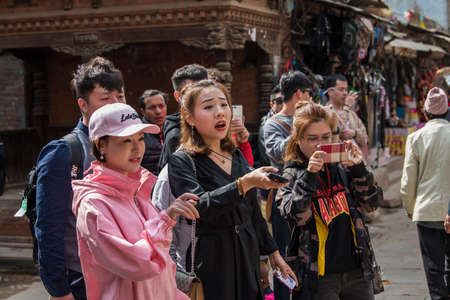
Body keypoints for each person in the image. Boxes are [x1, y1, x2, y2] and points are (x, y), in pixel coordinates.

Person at [168, 79, 297, 300]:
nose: (219, 112)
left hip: (247, 252)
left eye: (223, 105)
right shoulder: (182, 160)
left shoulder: (235, 154)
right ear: (189, 118)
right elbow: (199, 207)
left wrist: (272, 253)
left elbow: (253, 211)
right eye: (208, 107)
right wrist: (243, 183)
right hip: (212, 257)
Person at [71, 103, 199, 300]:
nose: (137, 148)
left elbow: (161, 269)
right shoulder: (94, 205)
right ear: (101, 145)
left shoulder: (138, 191)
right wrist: (165, 220)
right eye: (125, 141)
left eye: (140, 138)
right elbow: (141, 264)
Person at [35, 57, 125, 300]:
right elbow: (48, 228)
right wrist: (59, 290)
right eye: (106, 99)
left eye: (120, 97)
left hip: (121, 275)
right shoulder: (65, 152)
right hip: (81, 278)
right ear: (83, 104)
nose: (115, 105)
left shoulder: (128, 147)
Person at [277, 102, 383, 300]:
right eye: (312, 139)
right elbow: (295, 216)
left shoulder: (344, 168)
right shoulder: (291, 174)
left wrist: (359, 167)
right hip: (318, 276)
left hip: (357, 270)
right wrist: (310, 176)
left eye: (326, 137)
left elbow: (372, 204)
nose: (320, 144)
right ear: (298, 140)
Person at [263, 70, 312, 300]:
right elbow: (277, 152)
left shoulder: (312, 119)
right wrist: (300, 129)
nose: (311, 99)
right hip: (284, 195)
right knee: (283, 254)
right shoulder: (273, 123)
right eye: (309, 94)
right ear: (300, 94)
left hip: (310, 193)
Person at [400, 87, 450, 300]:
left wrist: (410, 207)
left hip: (427, 211)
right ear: (447, 112)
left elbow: (408, 179)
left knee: (433, 266)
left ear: (426, 113)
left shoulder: (416, 138)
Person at [158, 64, 209, 172]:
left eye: (206, 89)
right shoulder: (177, 137)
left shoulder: (213, 124)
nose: (202, 96)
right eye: (192, 92)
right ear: (178, 97)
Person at [325, 74, 368, 150]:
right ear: (330, 92)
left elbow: (365, 140)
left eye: (346, 90)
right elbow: (339, 131)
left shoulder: (352, 114)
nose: (345, 93)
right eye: (341, 90)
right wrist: (347, 107)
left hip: (356, 160)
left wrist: (355, 133)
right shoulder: (324, 112)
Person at [139, 89, 168, 175]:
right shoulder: (138, 134)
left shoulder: (175, 128)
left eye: (161, 106)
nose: (158, 111)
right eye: (152, 108)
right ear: (143, 111)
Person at [255, 84, 283, 168]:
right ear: (272, 105)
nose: (284, 104)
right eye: (280, 101)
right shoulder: (267, 125)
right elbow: (269, 158)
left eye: (287, 100)